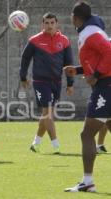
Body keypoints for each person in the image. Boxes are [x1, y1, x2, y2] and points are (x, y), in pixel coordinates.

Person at [64, 1, 111, 192]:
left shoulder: (90, 33)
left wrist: (96, 75)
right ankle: (87, 181)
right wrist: (79, 70)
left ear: (75, 18)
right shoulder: (92, 30)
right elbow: (99, 57)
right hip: (105, 85)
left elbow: (109, 52)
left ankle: (88, 182)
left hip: (106, 87)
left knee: (86, 134)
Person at [20, 12, 74, 154]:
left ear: (57, 24)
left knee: (47, 114)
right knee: (47, 113)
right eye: (46, 23)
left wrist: (70, 83)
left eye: (52, 23)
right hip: (40, 81)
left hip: (56, 82)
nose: (49, 25)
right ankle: (56, 145)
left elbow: (69, 64)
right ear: (42, 24)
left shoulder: (64, 40)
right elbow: (25, 59)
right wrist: (23, 77)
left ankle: (35, 143)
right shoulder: (34, 40)